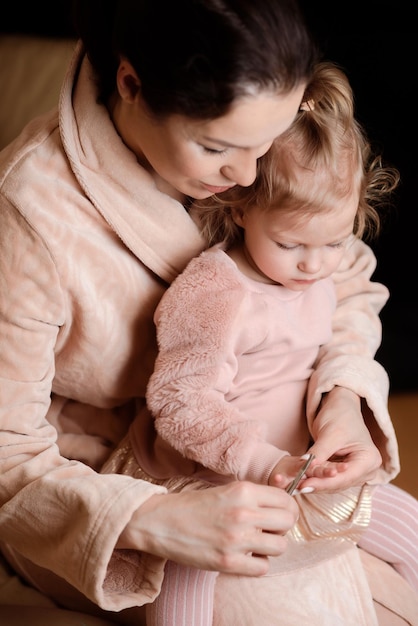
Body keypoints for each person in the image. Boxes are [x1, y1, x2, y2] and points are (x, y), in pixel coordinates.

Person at [0, 0, 415, 624]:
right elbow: (8, 453)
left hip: (275, 459)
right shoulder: (30, 213)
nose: (248, 176)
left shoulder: (264, 139)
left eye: (265, 143)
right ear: (131, 83)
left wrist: (344, 398)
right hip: (106, 493)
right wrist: (156, 520)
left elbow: (343, 278)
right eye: (217, 147)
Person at [102, 60, 417, 626]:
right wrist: (262, 461)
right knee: (189, 572)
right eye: (291, 243)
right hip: (210, 474)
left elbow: (339, 330)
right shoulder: (216, 290)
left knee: (407, 526)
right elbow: (180, 401)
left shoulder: (326, 267)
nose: (315, 265)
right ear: (241, 205)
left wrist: (328, 428)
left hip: (299, 465)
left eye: (334, 241)